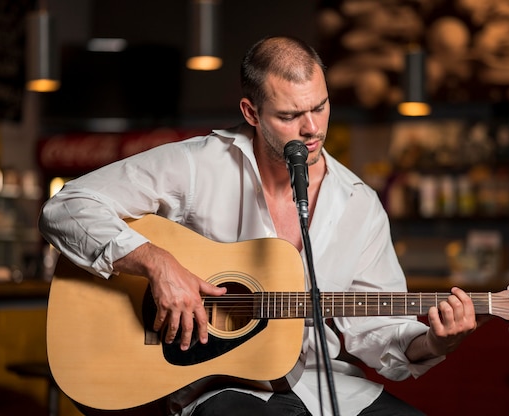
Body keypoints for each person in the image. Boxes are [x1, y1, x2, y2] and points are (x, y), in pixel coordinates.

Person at [39, 36, 477, 416]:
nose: (311, 129)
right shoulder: (197, 165)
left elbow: (379, 334)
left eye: (320, 108)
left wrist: (436, 344)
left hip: (330, 389)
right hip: (220, 386)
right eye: (289, 116)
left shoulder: (358, 204)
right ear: (251, 111)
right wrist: (155, 262)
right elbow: (67, 206)